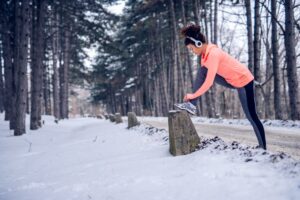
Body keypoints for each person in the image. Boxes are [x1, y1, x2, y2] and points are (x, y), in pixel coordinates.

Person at [175, 24, 267, 150]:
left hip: (244, 82)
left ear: (198, 44)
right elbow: (206, 77)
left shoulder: (213, 54)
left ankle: (263, 148)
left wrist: (193, 95)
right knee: (203, 71)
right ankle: (192, 105)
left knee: (252, 117)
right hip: (232, 81)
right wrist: (193, 97)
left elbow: (208, 83)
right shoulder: (204, 57)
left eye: (191, 49)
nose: (192, 52)